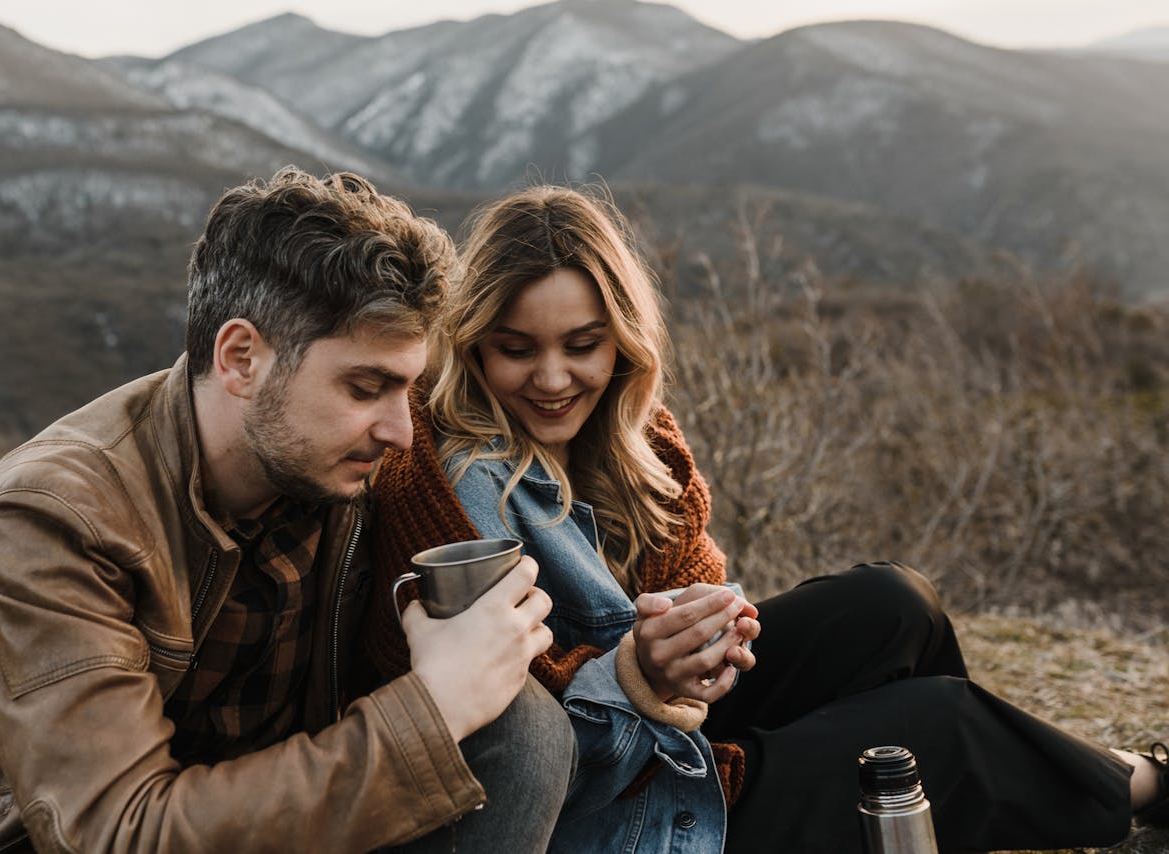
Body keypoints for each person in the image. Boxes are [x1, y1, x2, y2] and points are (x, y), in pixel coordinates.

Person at [364, 184, 1169, 853]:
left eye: (583, 344)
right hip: (612, 806)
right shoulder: (447, 479)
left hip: (668, 723)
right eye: (515, 349)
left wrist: (712, 639)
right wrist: (643, 675)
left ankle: (925, 815)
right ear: (470, 345)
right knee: (940, 729)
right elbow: (516, 747)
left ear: (624, 343)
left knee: (893, 605)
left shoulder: (630, 438)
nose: (552, 378)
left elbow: (693, 584)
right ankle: (1146, 783)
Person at [0, 168, 575, 853]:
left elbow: (563, 405)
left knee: (522, 730)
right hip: (45, 840)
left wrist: (636, 663)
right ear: (242, 358)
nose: (400, 429)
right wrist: (431, 707)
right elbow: (115, 833)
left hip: (265, 815)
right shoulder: (48, 518)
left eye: (408, 388)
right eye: (367, 387)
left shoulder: (341, 468)